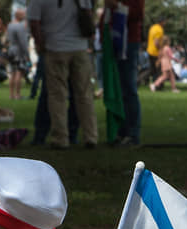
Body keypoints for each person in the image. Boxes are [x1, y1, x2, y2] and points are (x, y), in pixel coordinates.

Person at [28, 0, 98, 149]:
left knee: (57, 96)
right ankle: (90, 136)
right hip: (79, 48)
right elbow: (88, 16)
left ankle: (61, 138)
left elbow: (34, 23)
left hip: (55, 48)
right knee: (84, 95)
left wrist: (40, 45)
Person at [106, 0, 144, 146]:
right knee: (119, 89)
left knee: (128, 88)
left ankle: (132, 133)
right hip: (114, 40)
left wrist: (116, 6)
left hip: (128, 41)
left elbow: (138, 14)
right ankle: (121, 131)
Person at [146, 17, 165, 83]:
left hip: (149, 50)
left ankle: (153, 83)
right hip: (155, 52)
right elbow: (156, 42)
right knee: (158, 70)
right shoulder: (159, 29)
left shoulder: (152, 27)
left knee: (152, 70)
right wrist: (160, 49)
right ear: (162, 22)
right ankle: (159, 85)